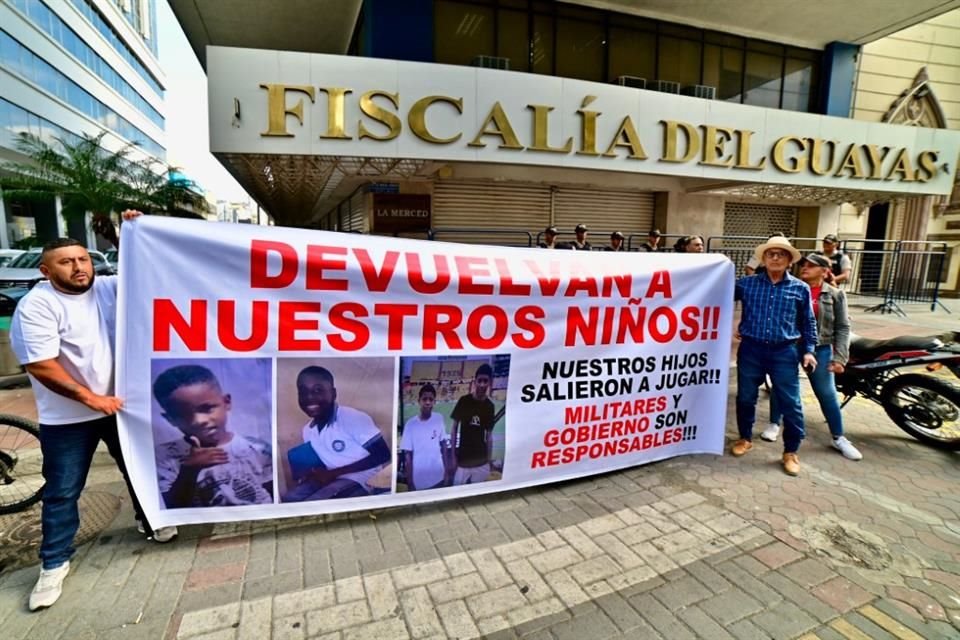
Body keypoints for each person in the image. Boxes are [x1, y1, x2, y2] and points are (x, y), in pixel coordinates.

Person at [10, 230, 177, 612]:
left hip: (120, 407)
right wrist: (89, 398)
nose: (78, 267)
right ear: (45, 270)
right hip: (68, 418)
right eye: (66, 262)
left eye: (83, 259)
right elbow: (40, 365)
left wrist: (133, 234)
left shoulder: (108, 287)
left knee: (140, 470)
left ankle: (151, 522)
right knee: (63, 491)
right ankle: (53, 563)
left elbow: (153, 270)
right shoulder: (38, 306)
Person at [732, 236, 817, 476]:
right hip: (752, 349)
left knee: (790, 402)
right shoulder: (746, 284)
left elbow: (808, 321)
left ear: (790, 260)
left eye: (781, 254)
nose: (776, 258)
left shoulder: (800, 288)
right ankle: (745, 438)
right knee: (746, 397)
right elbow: (716, 294)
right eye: (771, 254)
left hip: (784, 351)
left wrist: (809, 350)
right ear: (763, 258)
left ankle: (791, 451)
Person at [762, 254, 862, 460]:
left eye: (811, 266)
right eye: (803, 265)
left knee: (826, 392)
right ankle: (774, 423)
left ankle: (838, 437)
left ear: (825, 271)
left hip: (821, 347)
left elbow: (843, 327)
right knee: (781, 387)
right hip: (789, 346)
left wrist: (840, 357)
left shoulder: (834, 294)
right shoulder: (792, 287)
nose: (804, 268)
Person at [153, 364, 273, 508]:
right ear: (170, 419)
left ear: (226, 402)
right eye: (183, 415)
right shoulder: (163, 456)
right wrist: (189, 470)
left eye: (206, 408)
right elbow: (170, 507)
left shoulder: (258, 449)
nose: (198, 421)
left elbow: (273, 493)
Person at [282, 366, 390, 501]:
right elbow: (322, 462)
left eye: (318, 390)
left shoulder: (352, 418)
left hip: (361, 478)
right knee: (289, 498)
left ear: (333, 393)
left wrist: (333, 473)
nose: (309, 397)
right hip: (331, 477)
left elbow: (383, 454)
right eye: (303, 392)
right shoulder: (308, 430)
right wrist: (312, 473)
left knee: (315, 502)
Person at [450, 364, 497, 485]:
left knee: (480, 494)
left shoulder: (490, 406)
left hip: (481, 461)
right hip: (462, 461)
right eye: (479, 380)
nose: (482, 384)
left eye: (485, 381)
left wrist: (488, 460)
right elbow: (454, 428)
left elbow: (489, 436)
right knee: (456, 491)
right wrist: (453, 457)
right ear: (475, 381)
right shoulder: (464, 401)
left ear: (489, 382)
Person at [400, 383, 450, 491]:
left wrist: (446, 471)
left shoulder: (439, 418)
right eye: (424, 399)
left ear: (434, 402)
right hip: (419, 481)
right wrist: (410, 482)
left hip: (439, 476)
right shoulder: (410, 424)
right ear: (419, 401)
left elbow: (444, 446)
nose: (428, 402)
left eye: (431, 399)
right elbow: (408, 456)